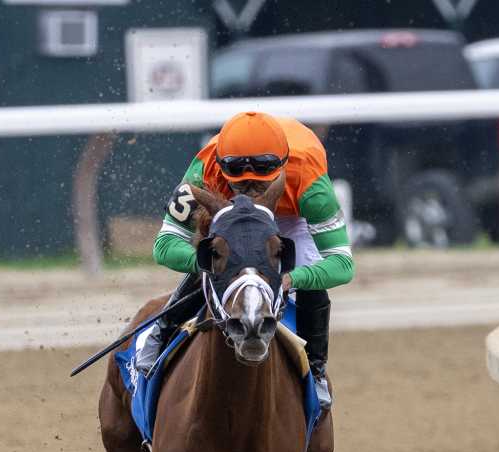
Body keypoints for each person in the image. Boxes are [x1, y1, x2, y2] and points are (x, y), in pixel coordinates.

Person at [143, 111, 354, 405]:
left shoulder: (310, 183)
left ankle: (315, 369)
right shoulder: (203, 171)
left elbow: (342, 264)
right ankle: (162, 329)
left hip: (289, 216)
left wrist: (293, 277)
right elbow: (165, 245)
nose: (252, 195)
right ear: (222, 168)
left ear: (281, 168)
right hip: (229, 213)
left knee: (308, 269)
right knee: (217, 255)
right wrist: (215, 264)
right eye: (241, 185)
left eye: (260, 185)